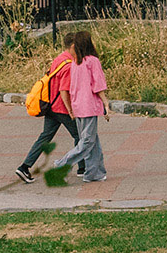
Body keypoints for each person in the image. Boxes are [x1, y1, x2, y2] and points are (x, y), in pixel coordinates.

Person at [14, 39, 78, 183]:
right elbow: (63, 90)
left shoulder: (59, 59)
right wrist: (70, 110)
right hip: (61, 108)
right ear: (73, 46)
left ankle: (24, 167)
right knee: (81, 136)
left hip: (50, 105)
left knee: (44, 138)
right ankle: (81, 167)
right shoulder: (68, 65)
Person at [64, 31, 108, 184]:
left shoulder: (76, 63)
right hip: (89, 106)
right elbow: (98, 85)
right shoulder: (92, 61)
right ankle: (62, 164)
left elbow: (72, 87)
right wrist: (106, 104)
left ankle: (95, 173)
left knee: (93, 141)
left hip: (78, 106)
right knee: (88, 141)